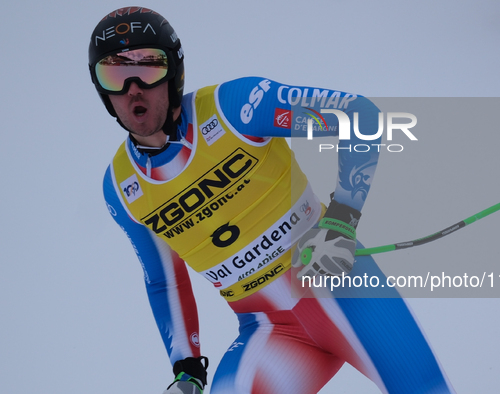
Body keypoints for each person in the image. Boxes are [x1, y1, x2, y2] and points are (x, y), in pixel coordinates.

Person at [89, 6, 455, 394]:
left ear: (174, 72)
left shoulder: (236, 108)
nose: (132, 88)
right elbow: (164, 282)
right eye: (114, 73)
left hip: (343, 289)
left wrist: (343, 219)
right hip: (268, 328)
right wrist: (187, 368)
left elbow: (359, 117)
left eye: (149, 67)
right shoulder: (121, 187)